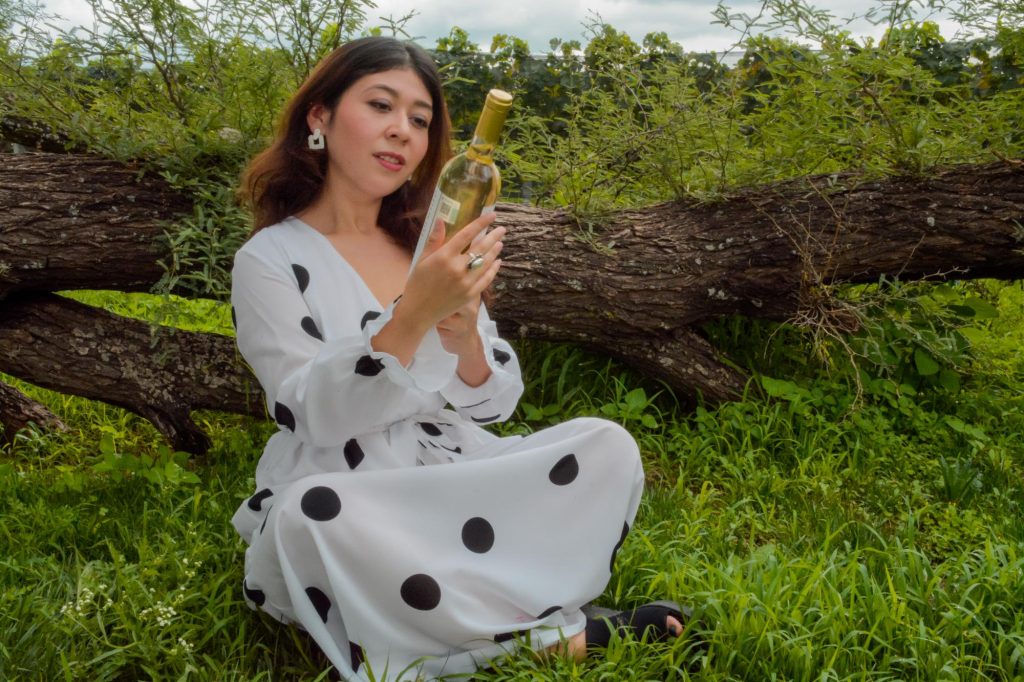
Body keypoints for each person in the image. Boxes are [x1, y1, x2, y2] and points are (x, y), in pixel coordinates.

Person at [230, 36, 687, 681]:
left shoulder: (430, 244)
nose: (402, 131)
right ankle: (541, 634)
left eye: (419, 120)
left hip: (449, 468)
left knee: (606, 445)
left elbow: (493, 404)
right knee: (311, 515)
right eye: (381, 105)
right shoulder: (269, 258)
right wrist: (412, 316)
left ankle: (458, 626)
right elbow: (305, 410)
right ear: (320, 117)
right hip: (350, 489)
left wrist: (466, 334)